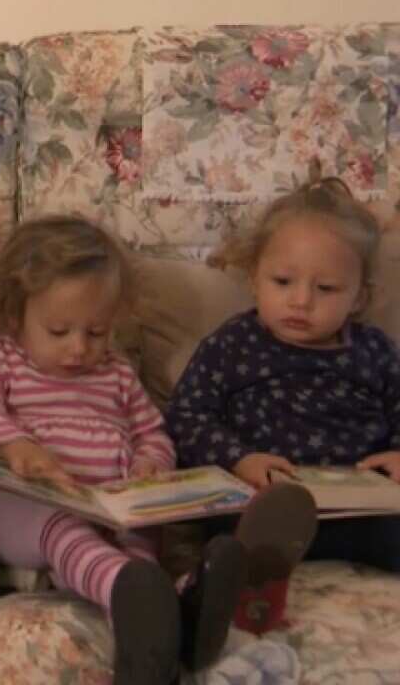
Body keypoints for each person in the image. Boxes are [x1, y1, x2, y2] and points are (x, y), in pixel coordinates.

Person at [0, 215, 261, 682]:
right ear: (15, 314)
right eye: (58, 331)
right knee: (63, 529)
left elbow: (152, 432)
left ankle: (168, 624)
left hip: (113, 510)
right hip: (25, 508)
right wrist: (14, 444)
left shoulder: (117, 372)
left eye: (96, 332)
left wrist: (150, 463)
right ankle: (132, 589)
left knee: (141, 540)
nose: (79, 348)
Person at [167, 176, 400, 633]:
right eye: (282, 281)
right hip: (261, 503)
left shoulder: (374, 350)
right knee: (234, 538)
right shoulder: (234, 343)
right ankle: (237, 589)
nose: (301, 301)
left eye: (326, 288)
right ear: (255, 279)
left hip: (358, 511)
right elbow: (186, 416)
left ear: (359, 297)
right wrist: (239, 458)